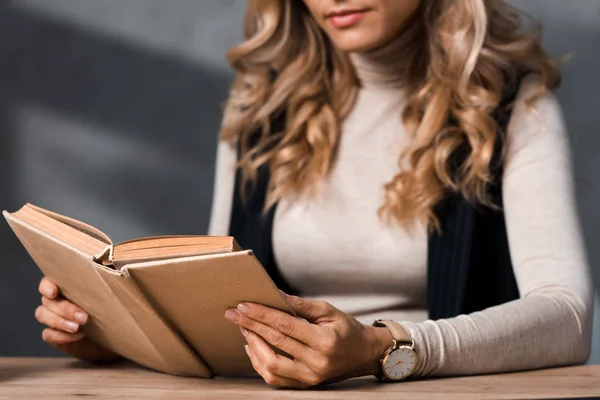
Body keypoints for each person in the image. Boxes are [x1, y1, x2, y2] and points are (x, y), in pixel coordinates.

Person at [35, 0, 593, 388]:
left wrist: (383, 349)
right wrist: (116, 337)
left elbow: (567, 318)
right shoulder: (259, 106)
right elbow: (209, 305)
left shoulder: (511, 101)